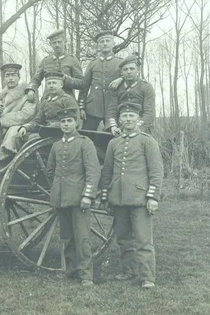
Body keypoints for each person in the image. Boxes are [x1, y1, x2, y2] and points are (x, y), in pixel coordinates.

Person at [99, 102, 163, 289]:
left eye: (131, 116)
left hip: (139, 199)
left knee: (143, 239)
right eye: (124, 116)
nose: (127, 119)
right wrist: (105, 196)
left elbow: (156, 171)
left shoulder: (147, 141)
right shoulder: (114, 143)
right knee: (123, 238)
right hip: (119, 198)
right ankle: (129, 270)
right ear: (119, 120)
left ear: (138, 119)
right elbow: (107, 172)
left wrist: (152, 197)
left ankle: (147, 277)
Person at [45, 107, 100, 286]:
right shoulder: (56, 146)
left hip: (79, 198)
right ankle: (71, 271)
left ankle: (86, 275)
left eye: (69, 121)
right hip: (61, 198)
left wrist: (87, 195)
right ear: (59, 124)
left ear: (77, 123)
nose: (66, 124)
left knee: (82, 237)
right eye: (63, 121)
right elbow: (50, 171)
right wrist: (56, 189)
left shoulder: (85, 143)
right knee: (67, 237)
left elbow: (93, 171)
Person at [0, 63, 37, 169]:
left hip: (21, 126)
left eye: (13, 75)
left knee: (13, 132)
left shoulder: (27, 94)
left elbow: (26, 115)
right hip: (1, 126)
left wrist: (1, 120)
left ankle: (3, 165)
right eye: (7, 76)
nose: (10, 78)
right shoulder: (1, 95)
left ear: (19, 77)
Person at [78, 30, 124, 130]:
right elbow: (84, 87)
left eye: (108, 40)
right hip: (93, 108)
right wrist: (82, 107)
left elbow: (130, 79)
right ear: (98, 45)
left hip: (113, 107)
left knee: (112, 138)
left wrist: (121, 78)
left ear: (113, 43)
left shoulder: (121, 63)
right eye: (102, 41)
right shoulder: (92, 63)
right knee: (86, 135)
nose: (105, 43)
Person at [25, 29, 84, 101]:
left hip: (67, 103)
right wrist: (31, 89)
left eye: (59, 42)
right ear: (50, 44)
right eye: (54, 43)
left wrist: (66, 80)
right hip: (47, 101)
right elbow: (36, 79)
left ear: (65, 42)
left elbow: (81, 83)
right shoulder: (46, 61)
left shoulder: (72, 60)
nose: (57, 45)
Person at [17, 71, 78, 140]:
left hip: (63, 134)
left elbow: (75, 122)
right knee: (22, 136)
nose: (51, 86)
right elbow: (38, 121)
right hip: (47, 133)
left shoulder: (68, 100)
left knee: (33, 138)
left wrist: (54, 125)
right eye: (49, 83)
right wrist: (26, 127)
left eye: (54, 83)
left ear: (61, 85)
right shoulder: (45, 102)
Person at [106, 54, 155, 135]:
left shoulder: (146, 87)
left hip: (142, 128)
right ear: (121, 72)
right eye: (125, 69)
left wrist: (137, 128)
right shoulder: (117, 88)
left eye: (132, 69)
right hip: (121, 128)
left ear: (138, 70)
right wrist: (113, 126)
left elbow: (149, 113)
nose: (129, 72)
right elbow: (111, 110)